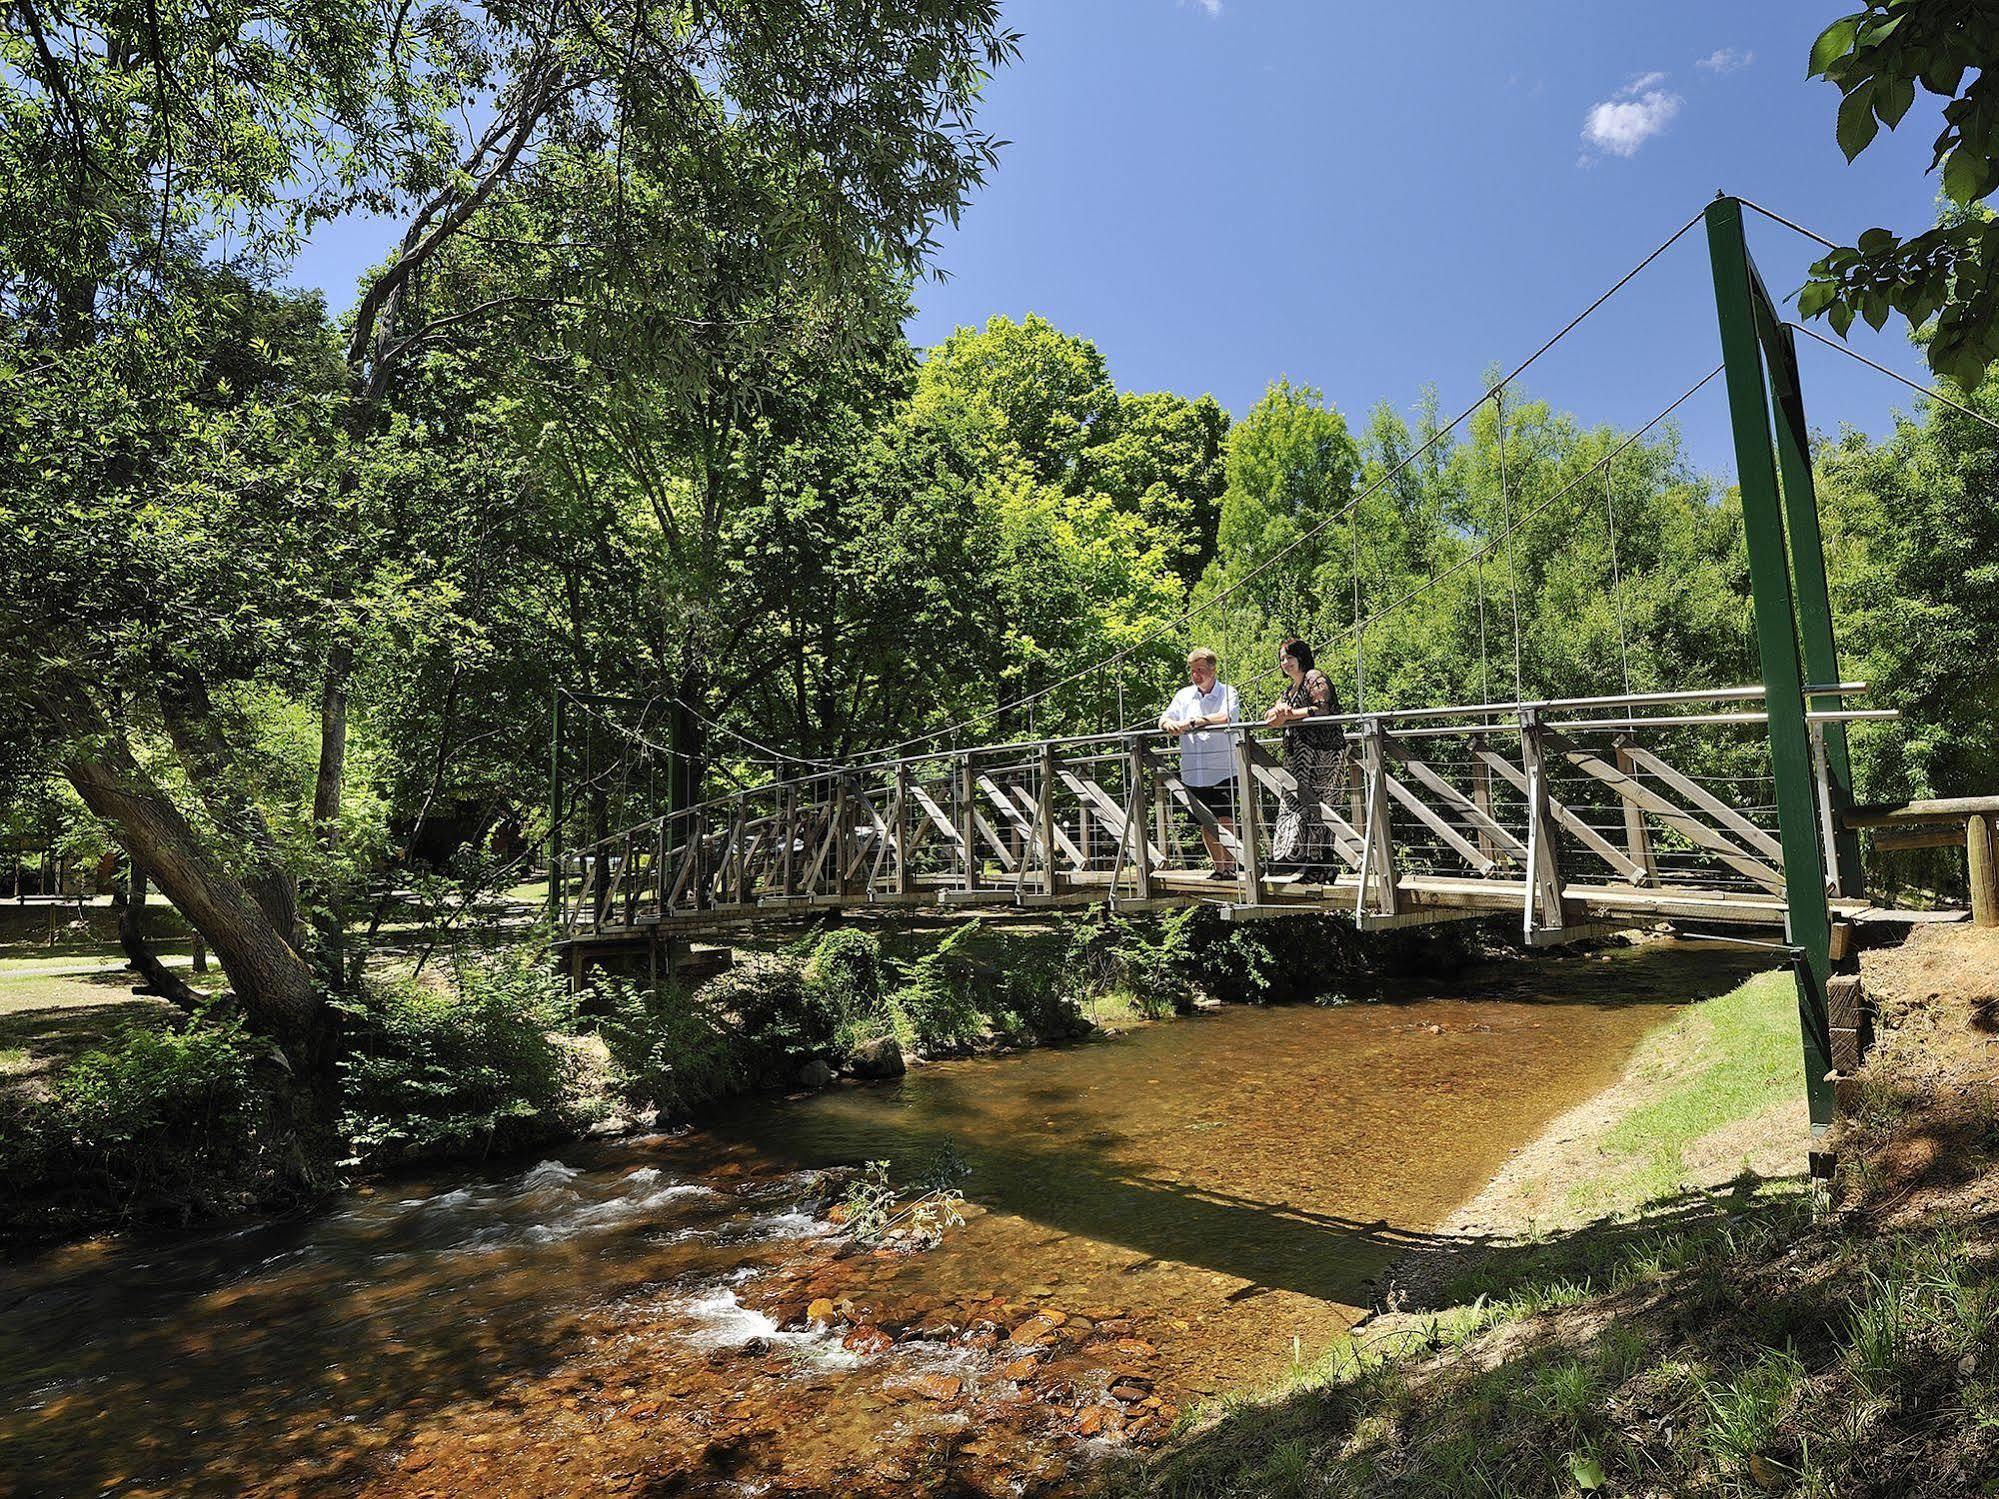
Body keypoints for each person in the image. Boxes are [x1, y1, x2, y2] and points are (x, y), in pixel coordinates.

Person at [1264, 636, 1345, 882]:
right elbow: (1273, 713)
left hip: (1324, 753)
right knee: (1293, 804)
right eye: (1281, 659)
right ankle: (1295, 859)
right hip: (1298, 756)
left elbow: (1323, 708)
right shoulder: (1288, 690)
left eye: (1289, 657)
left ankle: (1320, 865)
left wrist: (1290, 715)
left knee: (1319, 806)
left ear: (1301, 657)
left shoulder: (1314, 677)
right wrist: (1276, 714)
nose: (1285, 662)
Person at [1159, 647, 1242, 878]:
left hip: (1223, 767)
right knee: (1206, 822)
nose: (1196, 675)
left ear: (1213, 670)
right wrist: (1169, 725)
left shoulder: (1228, 692)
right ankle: (1219, 867)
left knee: (1225, 818)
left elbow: (1227, 716)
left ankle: (1232, 867)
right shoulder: (1183, 695)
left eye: (1201, 670)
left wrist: (1196, 721)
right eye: (1193, 671)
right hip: (1194, 771)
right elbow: (1164, 718)